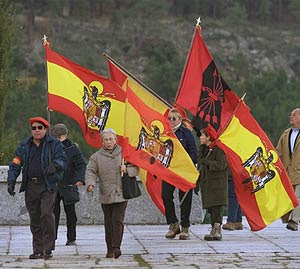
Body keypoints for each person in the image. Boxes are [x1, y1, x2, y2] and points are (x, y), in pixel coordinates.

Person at [7, 117, 67, 259]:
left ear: (45, 129)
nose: (37, 130)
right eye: (34, 128)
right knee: (34, 218)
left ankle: (48, 248)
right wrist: (11, 181)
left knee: (46, 214)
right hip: (31, 186)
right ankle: (38, 249)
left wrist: (55, 165)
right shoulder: (24, 146)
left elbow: (63, 159)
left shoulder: (54, 144)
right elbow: (15, 163)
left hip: (48, 185)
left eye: (40, 128)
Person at [85, 128, 139, 259]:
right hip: (106, 194)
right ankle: (109, 248)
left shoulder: (124, 154)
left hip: (121, 193)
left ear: (115, 140)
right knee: (108, 222)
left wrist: (126, 169)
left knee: (117, 220)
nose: (108, 142)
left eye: (111, 139)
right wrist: (90, 183)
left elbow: (136, 168)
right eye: (106, 140)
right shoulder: (96, 157)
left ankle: (116, 247)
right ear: (102, 142)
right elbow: (91, 171)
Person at [162, 108, 198, 240]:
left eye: (173, 118)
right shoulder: (165, 133)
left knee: (185, 199)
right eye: (169, 118)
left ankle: (185, 226)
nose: (171, 121)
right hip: (169, 171)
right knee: (165, 195)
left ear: (180, 120)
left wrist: (188, 164)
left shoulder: (186, 133)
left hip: (183, 171)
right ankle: (173, 223)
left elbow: (194, 152)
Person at [51, 123, 86, 246]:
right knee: (53, 213)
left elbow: (81, 164)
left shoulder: (72, 149)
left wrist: (80, 179)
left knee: (71, 213)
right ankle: (52, 238)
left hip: (69, 184)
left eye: (59, 137)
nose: (57, 139)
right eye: (55, 137)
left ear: (65, 136)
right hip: (54, 185)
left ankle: (71, 238)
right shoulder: (50, 148)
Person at [198, 127, 228, 241]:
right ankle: (213, 227)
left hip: (217, 184)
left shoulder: (218, 149)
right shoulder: (202, 149)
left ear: (208, 137)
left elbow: (222, 164)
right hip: (206, 183)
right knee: (210, 207)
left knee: (216, 207)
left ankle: (217, 228)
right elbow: (200, 165)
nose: (200, 138)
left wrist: (209, 163)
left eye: (202, 136)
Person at [276, 108, 300, 231]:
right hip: (288, 173)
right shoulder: (286, 134)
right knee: (290, 198)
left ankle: (294, 221)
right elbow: (278, 152)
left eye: (294, 115)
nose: (291, 117)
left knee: (298, 197)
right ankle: (290, 218)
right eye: (291, 115)